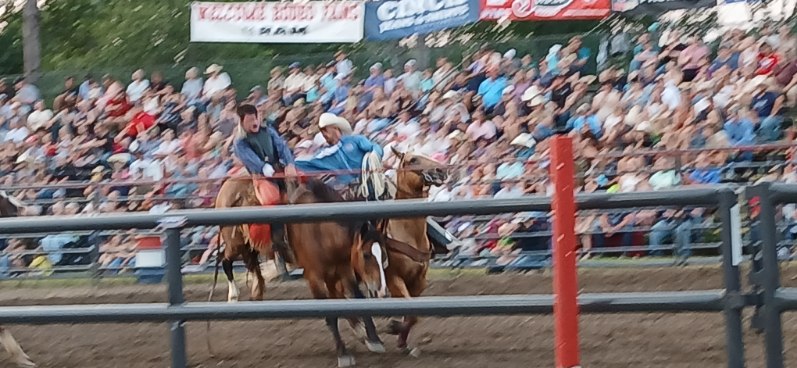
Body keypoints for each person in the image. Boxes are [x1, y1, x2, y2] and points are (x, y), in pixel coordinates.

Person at [232, 104, 297, 269]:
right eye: (250, 119)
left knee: (304, 187)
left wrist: (289, 163)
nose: (254, 121)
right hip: (261, 175)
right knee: (272, 199)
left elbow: (281, 147)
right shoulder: (240, 142)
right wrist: (262, 167)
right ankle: (278, 242)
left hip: (279, 168)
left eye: (255, 117)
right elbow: (249, 158)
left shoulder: (268, 131)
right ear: (242, 122)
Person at [295, 112, 385, 198]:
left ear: (335, 128)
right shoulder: (325, 154)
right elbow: (306, 163)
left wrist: (375, 155)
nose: (323, 134)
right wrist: (288, 163)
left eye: (324, 130)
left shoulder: (355, 140)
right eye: (321, 131)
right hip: (348, 192)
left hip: (371, 184)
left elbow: (374, 148)